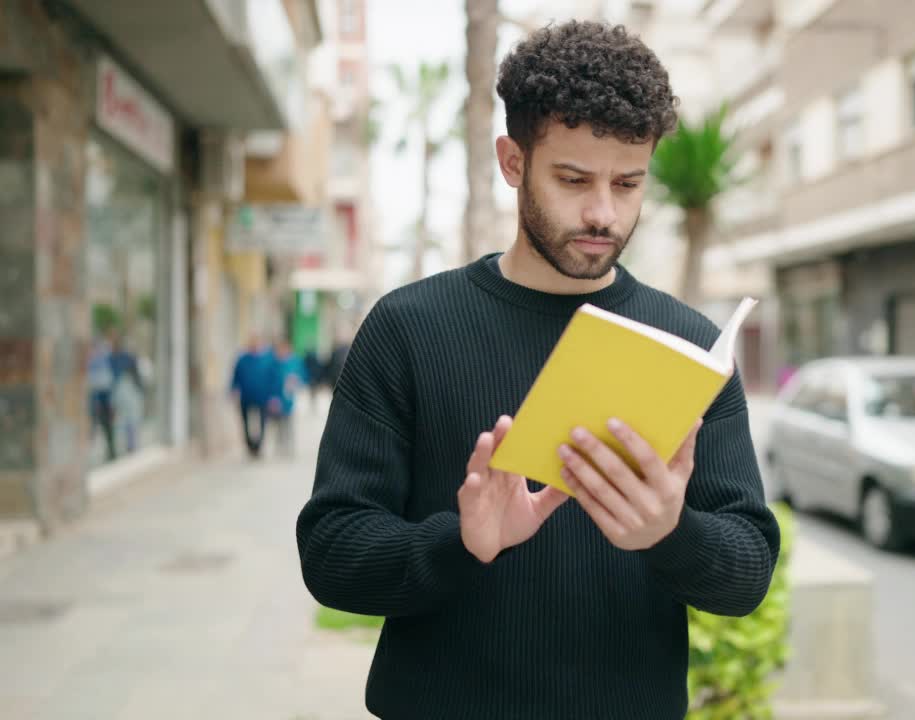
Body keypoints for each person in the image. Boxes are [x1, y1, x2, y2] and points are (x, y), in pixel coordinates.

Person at [296, 21, 779, 720]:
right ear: (512, 161)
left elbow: (748, 574)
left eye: (628, 183)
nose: (602, 213)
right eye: (573, 178)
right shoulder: (408, 329)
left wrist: (672, 534)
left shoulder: (690, 346)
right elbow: (331, 556)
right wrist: (459, 544)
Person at [229, 335, 273, 458]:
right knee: (245, 422)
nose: (254, 346)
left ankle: (259, 445)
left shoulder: (267, 359)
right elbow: (235, 376)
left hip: (262, 396)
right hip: (246, 396)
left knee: (263, 422)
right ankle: (250, 445)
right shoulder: (242, 359)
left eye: (256, 343)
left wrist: (273, 395)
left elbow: (272, 377)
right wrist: (233, 389)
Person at [267, 339, 307, 457]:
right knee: (278, 424)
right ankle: (280, 445)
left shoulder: (295, 362)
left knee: (288, 422)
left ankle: (289, 446)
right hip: (276, 399)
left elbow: (303, 376)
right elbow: (269, 381)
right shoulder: (273, 363)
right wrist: (272, 398)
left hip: (289, 399)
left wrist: (296, 381)